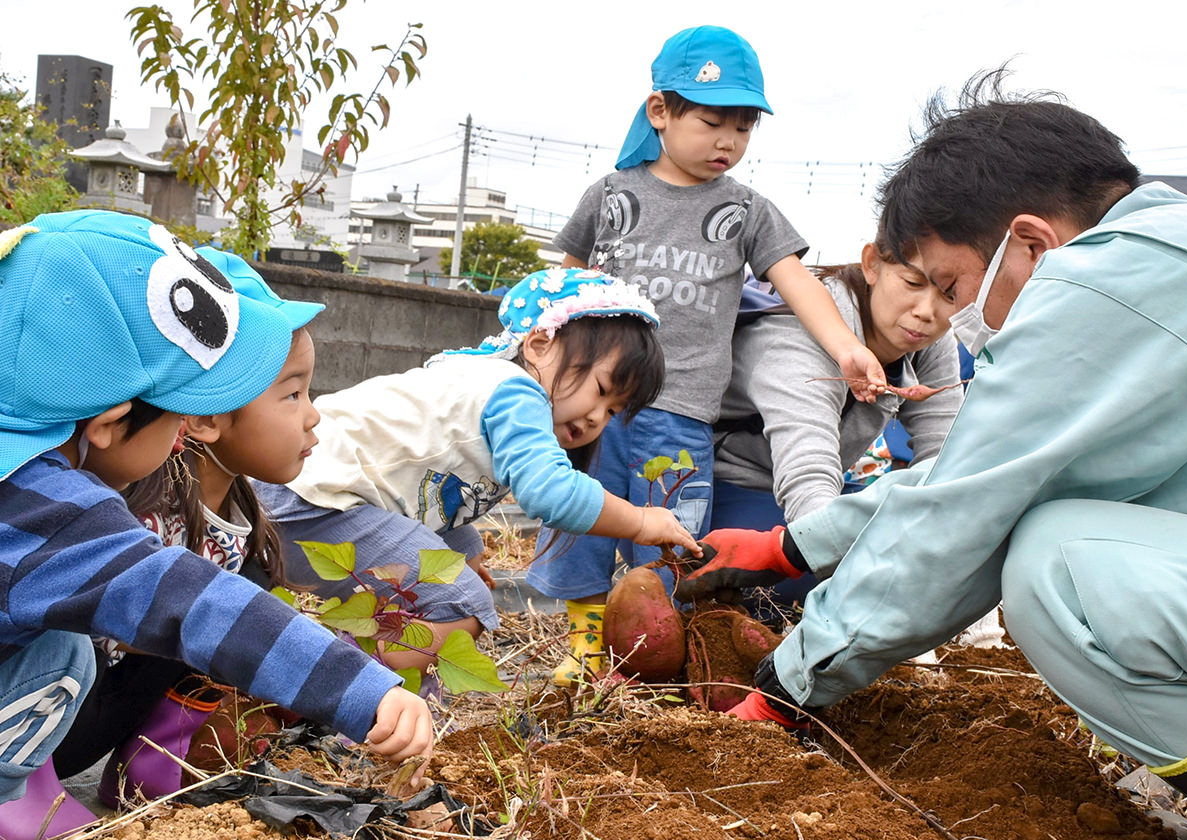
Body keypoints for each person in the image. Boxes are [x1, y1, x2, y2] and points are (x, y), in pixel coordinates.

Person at [676, 68, 1187, 838]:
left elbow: (965, 513)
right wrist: (792, 544)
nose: (950, 316)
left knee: (1058, 566)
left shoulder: (1099, 288)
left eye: (953, 287)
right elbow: (975, 472)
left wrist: (785, 685)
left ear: (1030, 244)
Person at [0, 211, 431, 840]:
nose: (186, 430)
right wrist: (362, 690)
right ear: (110, 423)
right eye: (180, 413)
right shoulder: (49, 510)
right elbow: (197, 603)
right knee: (64, 654)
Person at [527, 25, 885, 685]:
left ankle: (657, 662)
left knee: (668, 539)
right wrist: (534, 367)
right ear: (660, 111)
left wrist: (846, 348)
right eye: (713, 122)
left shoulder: (746, 211)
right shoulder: (611, 197)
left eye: (744, 129)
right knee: (579, 512)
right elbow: (558, 286)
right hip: (594, 404)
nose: (728, 142)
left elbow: (796, 282)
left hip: (685, 410)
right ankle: (582, 649)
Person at [254, 266, 701, 680]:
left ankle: (303, 671)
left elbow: (429, 483)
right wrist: (641, 521)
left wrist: (466, 558)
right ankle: (339, 683)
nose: (595, 419)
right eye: (601, 391)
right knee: (462, 607)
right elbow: (552, 494)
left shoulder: (482, 382)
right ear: (540, 343)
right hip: (316, 497)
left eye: (612, 411)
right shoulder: (517, 392)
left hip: (292, 491)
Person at [53, 295, 321, 807]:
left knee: (241, 597)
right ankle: (25, 787)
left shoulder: (243, 528)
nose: (313, 415)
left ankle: (151, 759)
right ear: (204, 415)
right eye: (292, 394)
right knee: (213, 613)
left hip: (96, 716)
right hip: (48, 726)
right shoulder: (137, 516)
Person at [710, 241, 961, 615]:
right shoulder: (795, 339)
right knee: (813, 581)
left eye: (950, 294)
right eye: (912, 283)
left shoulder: (928, 340)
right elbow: (808, 481)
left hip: (835, 486)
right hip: (741, 484)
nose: (926, 312)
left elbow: (949, 462)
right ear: (872, 264)